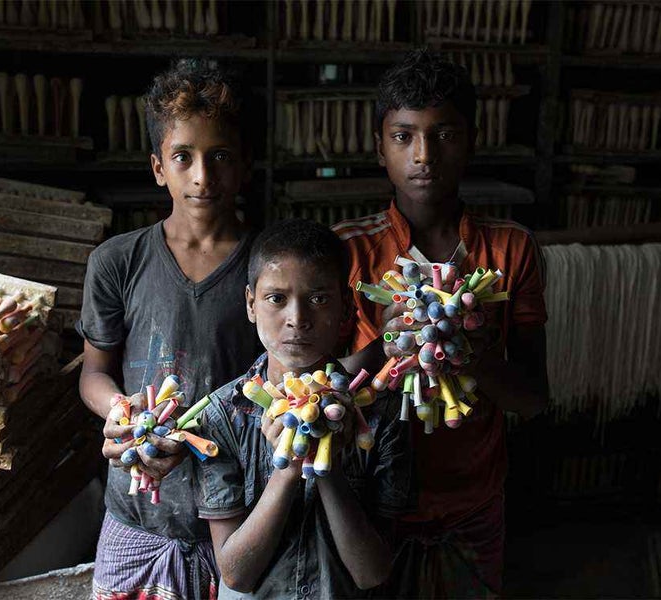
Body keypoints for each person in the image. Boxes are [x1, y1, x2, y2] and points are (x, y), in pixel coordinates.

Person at [334, 47, 549, 598]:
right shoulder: (346, 252)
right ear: (380, 148)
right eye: (404, 136)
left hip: (472, 500)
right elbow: (321, 397)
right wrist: (386, 341)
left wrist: (473, 349)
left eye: (444, 134)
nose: (424, 155)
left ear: (472, 140)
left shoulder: (509, 249)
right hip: (371, 500)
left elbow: (532, 398)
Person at [77, 58, 263, 599]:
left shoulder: (269, 267)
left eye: (220, 156)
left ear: (245, 163)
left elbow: (282, 381)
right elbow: (94, 372)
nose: (202, 175)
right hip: (136, 512)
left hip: (234, 519)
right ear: (158, 166)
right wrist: (121, 412)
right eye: (183, 157)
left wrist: (213, 435)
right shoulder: (117, 261)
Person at [197, 219, 411, 598]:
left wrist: (325, 463)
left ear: (346, 308)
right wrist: (289, 468)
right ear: (251, 304)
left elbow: (372, 572)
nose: (297, 319)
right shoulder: (222, 415)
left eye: (318, 299)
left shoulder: (382, 413)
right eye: (276, 298)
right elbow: (235, 575)